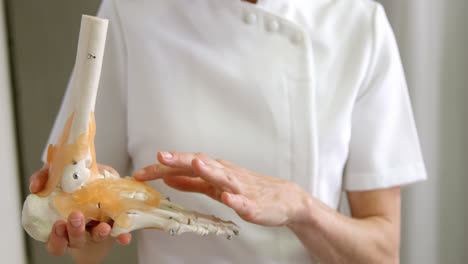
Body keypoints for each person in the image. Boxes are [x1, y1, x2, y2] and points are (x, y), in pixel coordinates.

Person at [29, 0, 427, 263]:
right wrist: (85, 224)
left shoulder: (358, 23)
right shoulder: (133, 11)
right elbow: (84, 223)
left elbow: (381, 252)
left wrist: (301, 208)